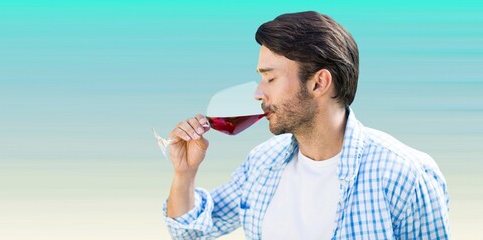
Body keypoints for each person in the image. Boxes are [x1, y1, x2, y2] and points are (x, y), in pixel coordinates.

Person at [163, 11, 449, 239]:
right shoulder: (263, 163)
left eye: (270, 78)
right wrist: (184, 173)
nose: (258, 93)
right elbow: (189, 231)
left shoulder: (405, 174)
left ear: (318, 82)